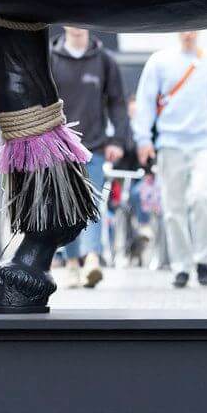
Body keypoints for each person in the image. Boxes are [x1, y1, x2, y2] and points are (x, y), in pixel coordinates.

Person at [132, 30, 207, 289]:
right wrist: (143, 139)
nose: (188, 31)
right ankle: (181, 265)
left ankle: (202, 259)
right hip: (169, 142)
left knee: (203, 198)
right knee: (173, 207)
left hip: (204, 143)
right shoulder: (159, 60)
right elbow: (145, 101)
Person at [48, 26, 130, 288]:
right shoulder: (50, 57)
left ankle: (92, 259)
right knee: (67, 207)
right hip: (59, 147)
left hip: (93, 146)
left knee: (93, 203)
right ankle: (72, 264)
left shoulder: (103, 60)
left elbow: (117, 102)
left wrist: (117, 140)